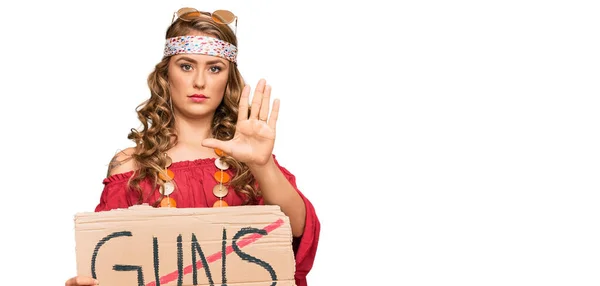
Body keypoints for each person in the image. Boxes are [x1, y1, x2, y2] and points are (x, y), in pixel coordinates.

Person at [64, 7, 320, 286]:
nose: (199, 81)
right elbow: (108, 260)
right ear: (166, 74)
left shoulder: (248, 159)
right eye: (186, 66)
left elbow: (296, 231)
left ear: (227, 79)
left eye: (214, 68)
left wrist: (262, 164)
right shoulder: (131, 166)